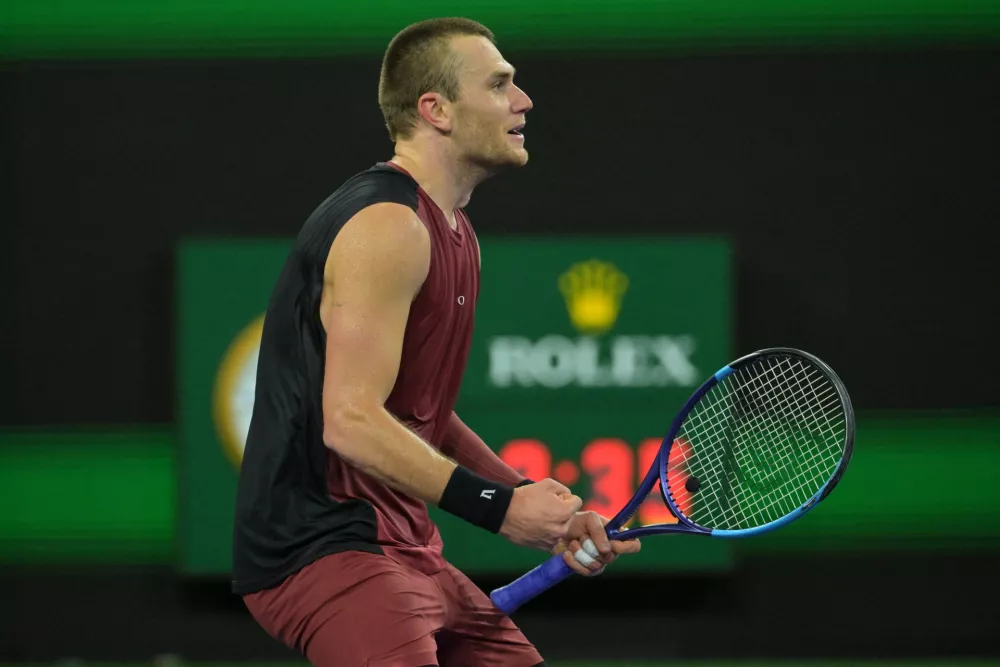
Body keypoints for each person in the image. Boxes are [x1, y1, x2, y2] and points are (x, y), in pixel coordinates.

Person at [232, 17, 641, 667]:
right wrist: (498, 507)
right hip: (323, 547)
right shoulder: (386, 226)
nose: (524, 100)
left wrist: (537, 504)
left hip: (406, 546)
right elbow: (351, 419)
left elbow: (420, 411)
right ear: (436, 109)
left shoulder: (455, 233)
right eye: (500, 83)